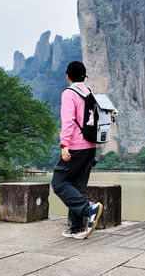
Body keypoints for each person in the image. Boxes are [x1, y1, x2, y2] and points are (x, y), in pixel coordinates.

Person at [51, 61, 103, 239]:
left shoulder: (69, 93)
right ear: (84, 76)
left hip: (76, 146)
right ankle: (78, 226)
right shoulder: (90, 93)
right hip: (91, 146)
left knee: (59, 183)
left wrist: (64, 145)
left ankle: (89, 209)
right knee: (77, 186)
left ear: (68, 76)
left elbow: (68, 121)